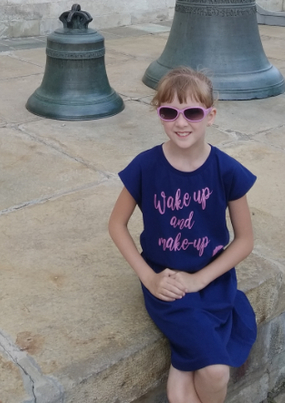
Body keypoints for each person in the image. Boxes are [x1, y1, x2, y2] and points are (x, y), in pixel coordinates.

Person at [108, 67, 257, 403]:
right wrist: (149, 278)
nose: (180, 122)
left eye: (192, 113)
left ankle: (184, 356)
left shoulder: (227, 170)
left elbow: (245, 240)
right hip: (167, 284)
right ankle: (188, 351)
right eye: (169, 112)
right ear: (158, 114)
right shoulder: (145, 166)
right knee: (214, 372)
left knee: (181, 393)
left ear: (210, 116)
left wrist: (200, 279)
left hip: (212, 282)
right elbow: (116, 225)